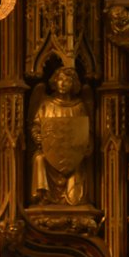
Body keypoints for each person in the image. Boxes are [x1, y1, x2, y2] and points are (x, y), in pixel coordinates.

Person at [30, 65, 91, 206]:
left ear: (73, 84)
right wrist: (37, 136)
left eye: (68, 80)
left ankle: (74, 197)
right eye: (60, 79)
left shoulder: (79, 106)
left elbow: (85, 132)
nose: (63, 83)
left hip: (72, 154)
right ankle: (43, 196)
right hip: (49, 152)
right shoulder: (46, 104)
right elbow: (36, 126)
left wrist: (84, 146)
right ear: (55, 81)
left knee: (78, 162)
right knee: (39, 159)